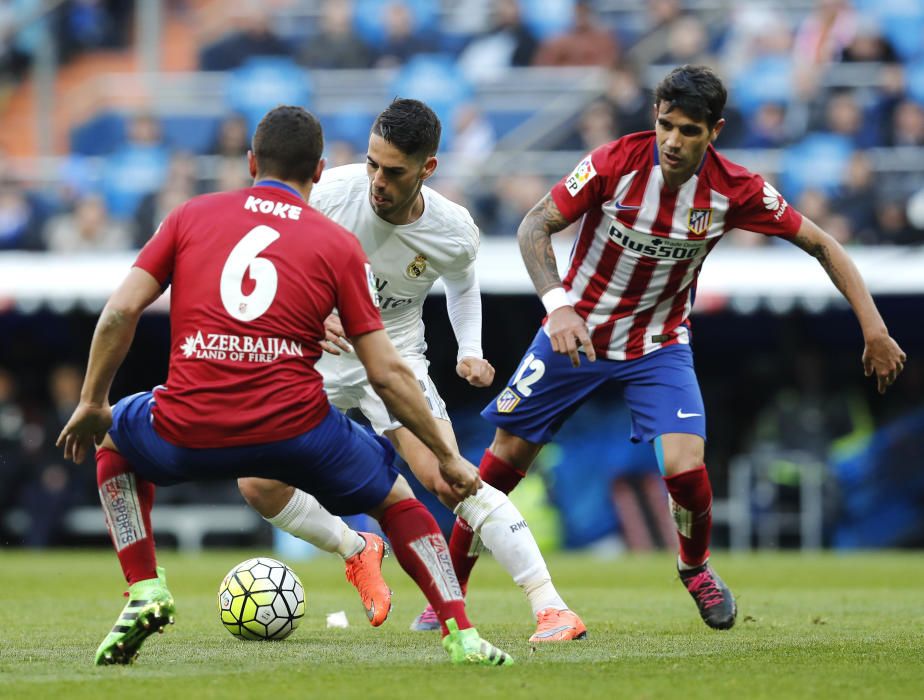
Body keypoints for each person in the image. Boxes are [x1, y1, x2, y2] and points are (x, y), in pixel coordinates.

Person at [445, 64, 907, 631]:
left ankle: (696, 569)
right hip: (576, 332)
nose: (673, 140)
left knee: (686, 469)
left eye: (689, 130)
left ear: (714, 132)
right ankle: (450, 593)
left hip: (658, 344)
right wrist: (557, 305)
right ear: (654, 119)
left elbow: (822, 243)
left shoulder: (734, 189)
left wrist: (875, 328)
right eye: (666, 124)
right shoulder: (615, 162)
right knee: (499, 468)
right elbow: (533, 225)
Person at [56, 105, 513, 668]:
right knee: (399, 500)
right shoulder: (336, 242)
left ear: (250, 161)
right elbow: (386, 372)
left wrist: (91, 402)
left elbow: (119, 313)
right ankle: (460, 632)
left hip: (188, 422)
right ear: (320, 171)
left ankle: (144, 588)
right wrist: (447, 454)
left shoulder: (189, 216)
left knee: (113, 443)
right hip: (293, 429)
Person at [237, 98, 586, 642]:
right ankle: (357, 549)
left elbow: (462, 282)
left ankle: (551, 606)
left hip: (393, 356)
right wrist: (307, 308)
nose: (377, 179)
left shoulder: (453, 228)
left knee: (448, 477)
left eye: (393, 170)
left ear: (428, 169)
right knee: (258, 483)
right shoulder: (329, 194)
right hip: (316, 356)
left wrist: (467, 348)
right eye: (373, 163)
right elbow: (269, 251)